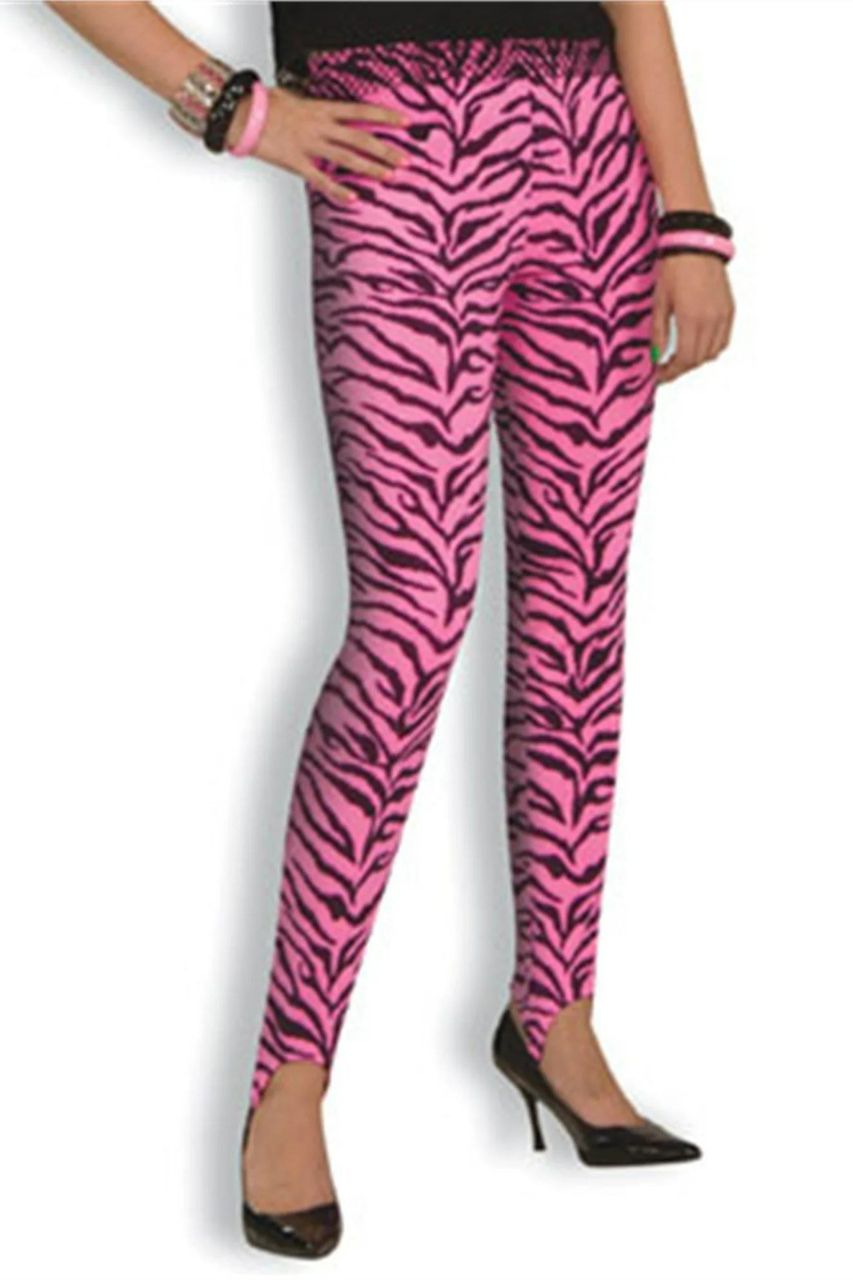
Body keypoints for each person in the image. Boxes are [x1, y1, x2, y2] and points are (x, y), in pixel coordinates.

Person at [45, 0, 735, 1260]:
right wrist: (229, 107)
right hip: (395, 149)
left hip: (594, 157)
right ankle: (290, 1074)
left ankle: (558, 1017)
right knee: (411, 618)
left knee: (581, 609)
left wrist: (687, 215)